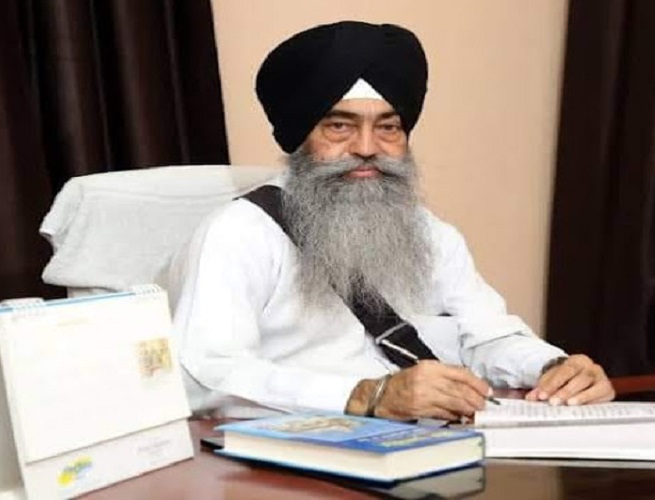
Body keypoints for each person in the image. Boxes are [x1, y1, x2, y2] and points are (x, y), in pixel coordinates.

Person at [170, 20, 614, 421]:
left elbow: (486, 337)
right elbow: (206, 377)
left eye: (388, 127)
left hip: (430, 444)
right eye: (339, 127)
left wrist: (553, 367)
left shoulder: (430, 234)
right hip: (295, 454)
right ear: (300, 137)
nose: (367, 148)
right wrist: (365, 395)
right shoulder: (239, 234)